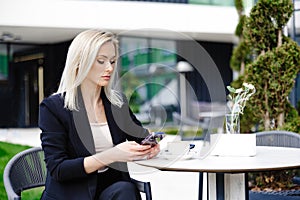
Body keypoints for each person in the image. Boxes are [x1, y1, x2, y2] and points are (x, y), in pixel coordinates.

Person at [38, 29, 160, 200]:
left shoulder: (117, 104)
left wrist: (151, 144)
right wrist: (113, 154)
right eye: (101, 61)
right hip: (71, 195)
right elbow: (59, 169)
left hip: (112, 191)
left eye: (112, 61)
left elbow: (140, 136)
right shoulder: (53, 107)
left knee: (125, 190)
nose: (109, 68)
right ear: (80, 62)